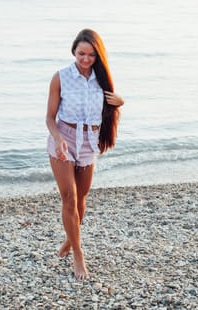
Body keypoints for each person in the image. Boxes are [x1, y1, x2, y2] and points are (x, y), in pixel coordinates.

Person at [45, 28, 124, 280]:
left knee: (81, 202)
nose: (86, 59)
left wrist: (120, 101)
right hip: (64, 139)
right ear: (74, 51)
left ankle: (69, 239)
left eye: (91, 54)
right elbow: (49, 117)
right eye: (81, 53)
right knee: (69, 198)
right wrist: (58, 139)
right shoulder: (61, 77)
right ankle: (78, 255)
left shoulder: (102, 79)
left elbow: (110, 105)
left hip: (89, 142)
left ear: (97, 55)